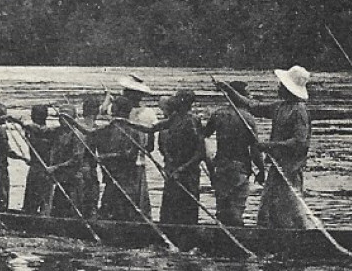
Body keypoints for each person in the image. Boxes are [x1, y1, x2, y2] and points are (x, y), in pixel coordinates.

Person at [257, 66, 313, 229]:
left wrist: (270, 146)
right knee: (268, 210)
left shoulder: (299, 111)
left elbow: (299, 142)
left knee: (288, 211)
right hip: (277, 167)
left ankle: (290, 243)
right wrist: (229, 91)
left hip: (291, 169)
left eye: (282, 85)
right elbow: (253, 107)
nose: (279, 87)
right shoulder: (279, 107)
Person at [203, 80, 260, 226]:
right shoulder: (248, 119)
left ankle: (222, 237)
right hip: (240, 167)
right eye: (247, 94)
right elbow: (254, 148)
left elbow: (203, 134)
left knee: (222, 206)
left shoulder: (219, 114)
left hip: (221, 166)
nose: (250, 97)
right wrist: (261, 169)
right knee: (237, 207)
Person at [94, 93, 153, 222]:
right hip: (114, 175)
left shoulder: (132, 130)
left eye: (114, 106)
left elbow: (129, 155)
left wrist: (106, 157)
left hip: (124, 175)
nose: (112, 109)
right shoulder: (110, 129)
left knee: (122, 205)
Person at [154, 89, 204, 226]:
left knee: (187, 210)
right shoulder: (173, 119)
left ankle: (187, 241)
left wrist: (182, 169)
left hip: (188, 174)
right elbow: (152, 128)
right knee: (169, 211)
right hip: (172, 171)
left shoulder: (193, 121)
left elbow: (200, 153)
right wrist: (125, 123)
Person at [15, 104, 66, 214]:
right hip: (36, 168)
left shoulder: (50, 131)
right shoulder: (34, 131)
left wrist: (20, 123)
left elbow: (40, 130)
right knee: (31, 202)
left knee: (44, 202)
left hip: (45, 169)